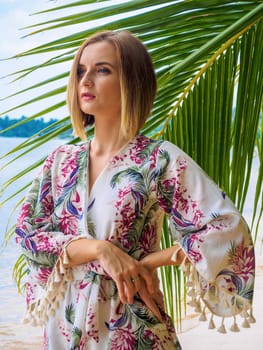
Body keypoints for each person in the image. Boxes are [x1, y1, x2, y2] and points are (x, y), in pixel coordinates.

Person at [15, 30, 255, 350]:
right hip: (64, 327)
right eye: (80, 71)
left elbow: (226, 227)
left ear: (132, 81)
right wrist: (101, 250)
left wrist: (155, 260)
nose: (85, 80)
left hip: (132, 326)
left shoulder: (158, 159)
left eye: (102, 70)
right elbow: (28, 234)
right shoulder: (61, 161)